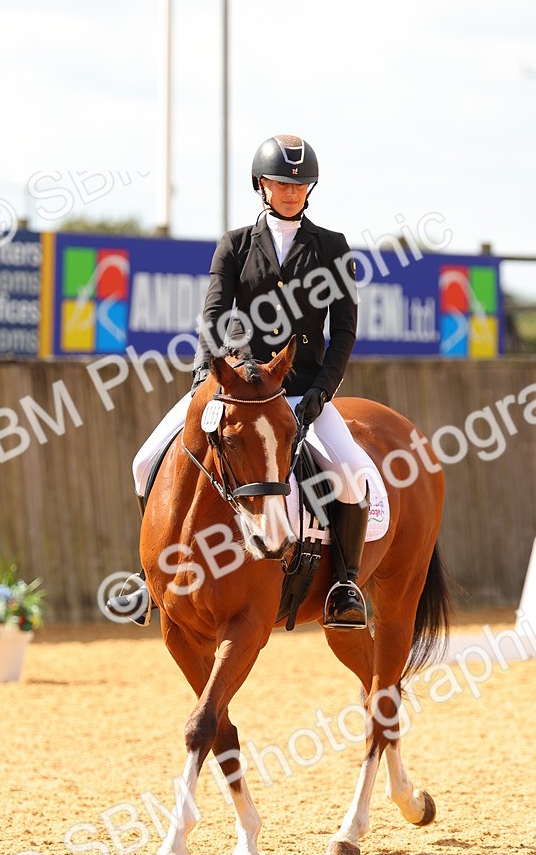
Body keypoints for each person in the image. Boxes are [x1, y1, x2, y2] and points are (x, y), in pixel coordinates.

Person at [112, 134, 372, 629]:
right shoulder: (235, 244)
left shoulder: (332, 248)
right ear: (262, 185)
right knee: (145, 459)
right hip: (235, 386)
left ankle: (344, 585)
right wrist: (203, 379)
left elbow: (343, 330)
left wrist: (323, 390)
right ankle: (149, 576)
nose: (292, 191)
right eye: (282, 183)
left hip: (299, 389)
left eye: (301, 184)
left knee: (352, 473)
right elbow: (214, 315)